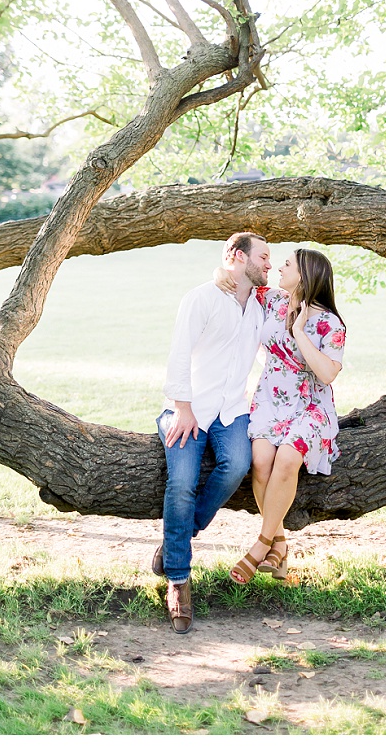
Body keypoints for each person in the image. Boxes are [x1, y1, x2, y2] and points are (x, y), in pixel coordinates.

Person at [152, 232, 271, 634]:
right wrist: (183, 408)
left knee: (237, 465)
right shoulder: (201, 297)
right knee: (182, 483)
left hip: (232, 410)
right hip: (188, 408)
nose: (270, 264)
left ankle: (174, 542)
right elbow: (179, 353)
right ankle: (179, 581)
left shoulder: (260, 305)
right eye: (264, 257)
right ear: (238, 256)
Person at [227, 247, 346, 584]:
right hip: (270, 400)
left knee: (288, 458)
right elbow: (239, 281)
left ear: (305, 275)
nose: (279, 268)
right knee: (261, 460)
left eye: (287, 265)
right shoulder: (273, 300)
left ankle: (260, 544)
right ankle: (279, 543)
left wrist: (299, 332)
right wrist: (224, 272)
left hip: (310, 406)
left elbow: (327, 374)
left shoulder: (329, 323)